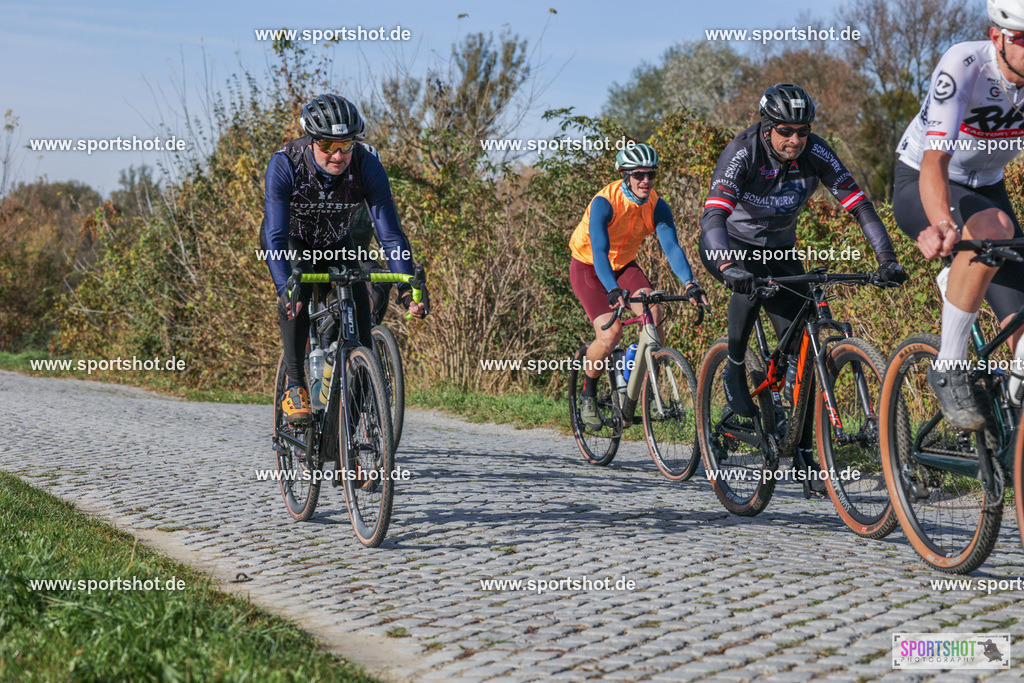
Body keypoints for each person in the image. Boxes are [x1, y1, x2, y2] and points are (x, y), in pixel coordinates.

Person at [699, 83, 906, 446]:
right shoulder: (742, 151)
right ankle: (733, 367)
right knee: (750, 284)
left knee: (801, 344)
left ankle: (801, 442)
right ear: (767, 128)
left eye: (802, 131)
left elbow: (860, 207)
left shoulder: (817, 152)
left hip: (779, 248)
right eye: (785, 131)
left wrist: (886, 260)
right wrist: (730, 267)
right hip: (730, 244)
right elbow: (714, 216)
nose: (795, 139)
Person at [891, 0, 1024, 430]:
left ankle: (1006, 429)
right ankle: (948, 366)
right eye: (1021, 39)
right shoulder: (963, 65)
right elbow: (935, 162)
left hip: (987, 188)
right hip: (926, 180)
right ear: (996, 38)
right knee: (994, 228)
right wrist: (942, 224)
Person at [260, 94, 427, 422]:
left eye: (346, 145)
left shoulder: (366, 164)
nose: (338, 154)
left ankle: (357, 411)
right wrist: (284, 288)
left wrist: (407, 285)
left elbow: (390, 234)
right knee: (298, 290)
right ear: (311, 141)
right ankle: (296, 386)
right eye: (327, 145)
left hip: (337, 240)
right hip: (291, 240)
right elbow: (275, 237)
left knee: (361, 307)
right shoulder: (285, 163)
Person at [569, 142, 707, 429]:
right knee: (610, 335)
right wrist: (611, 288)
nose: (646, 180)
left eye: (651, 174)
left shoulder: (657, 205)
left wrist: (690, 284)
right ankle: (588, 394)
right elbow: (599, 250)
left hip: (624, 266)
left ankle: (641, 383)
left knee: (653, 315)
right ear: (625, 175)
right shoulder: (604, 203)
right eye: (639, 174)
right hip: (590, 268)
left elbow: (672, 248)